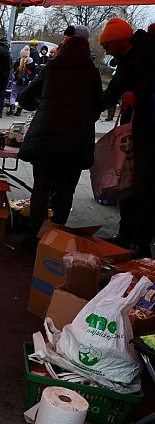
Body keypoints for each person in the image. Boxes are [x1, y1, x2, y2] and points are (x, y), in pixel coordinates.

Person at [17, 31, 102, 241]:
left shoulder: (52, 68)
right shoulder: (92, 72)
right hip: (76, 142)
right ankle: (55, 237)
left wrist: (41, 107)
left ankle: (33, 234)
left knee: (41, 188)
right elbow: (97, 107)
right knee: (66, 190)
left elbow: (24, 97)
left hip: (46, 139)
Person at [100, 18, 155, 257]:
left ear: (119, 40)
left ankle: (141, 244)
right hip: (130, 130)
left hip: (149, 131)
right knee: (126, 183)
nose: (105, 50)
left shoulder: (147, 54)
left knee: (143, 188)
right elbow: (114, 91)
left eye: (107, 45)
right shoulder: (123, 62)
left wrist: (138, 95)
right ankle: (125, 235)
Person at [8, 46, 35, 116]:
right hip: (26, 82)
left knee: (13, 95)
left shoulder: (19, 61)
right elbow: (34, 72)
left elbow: (14, 70)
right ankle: (19, 111)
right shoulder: (32, 62)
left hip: (17, 81)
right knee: (21, 96)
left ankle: (12, 108)